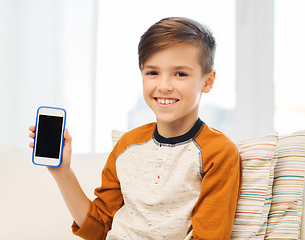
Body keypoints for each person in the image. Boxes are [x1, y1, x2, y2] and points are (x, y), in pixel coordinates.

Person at [29, 17, 242, 240]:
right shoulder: (128, 145)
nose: (164, 86)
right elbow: (98, 228)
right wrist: (62, 171)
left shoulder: (218, 152)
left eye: (180, 74)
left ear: (208, 81)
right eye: (153, 73)